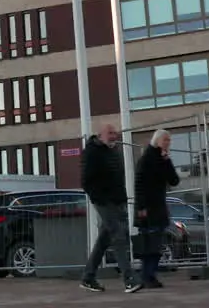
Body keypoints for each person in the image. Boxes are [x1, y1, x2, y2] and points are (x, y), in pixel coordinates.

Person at [79, 123, 142, 293]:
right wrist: (99, 199)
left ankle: (88, 277)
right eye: (110, 133)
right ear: (100, 135)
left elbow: (117, 177)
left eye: (115, 133)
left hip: (117, 201)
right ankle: (129, 279)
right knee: (118, 236)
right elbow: (86, 180)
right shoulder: (92, 152)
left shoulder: (113, 151)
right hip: (104, 202)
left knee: (104, 240)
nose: (114, 136)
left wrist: (122, 199)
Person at [135, 129, 179, 289]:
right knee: (150, 243)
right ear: (157, 141)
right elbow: (139, 184)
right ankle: (147, 276)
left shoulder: (162, 159)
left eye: (169, 140)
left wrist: (167, 161)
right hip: (148, 207)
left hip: (159, 206)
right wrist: (141, 207)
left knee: (156, 242)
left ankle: (149, 275)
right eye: (165, 140)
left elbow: (174, 180)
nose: (168, 143)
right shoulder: (147, 158)